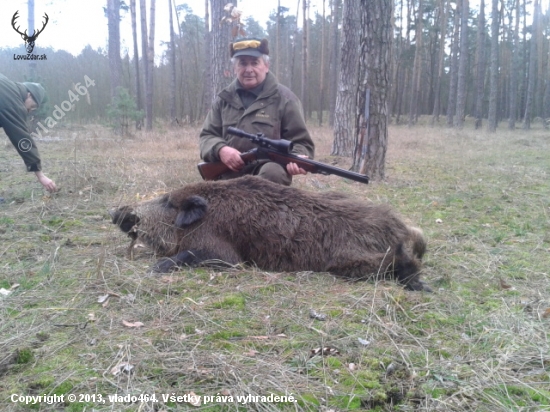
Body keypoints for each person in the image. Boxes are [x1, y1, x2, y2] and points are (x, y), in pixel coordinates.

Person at [199, 38, 314, 186]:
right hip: (228, 172)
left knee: (273, 172)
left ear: (266, 66)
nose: (248, 70)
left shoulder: (285, 99)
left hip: (268, 173)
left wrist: (297, 157)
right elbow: (207, 136)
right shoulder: (223, 99)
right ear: (235, 68)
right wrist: (221, 149)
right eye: (242, 63)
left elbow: (302, 142)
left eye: (254, 63)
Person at [0, 73, 57, 193]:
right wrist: (40, 175)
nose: (30, 110)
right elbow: (22, 139)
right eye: (33, 106)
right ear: (29, 95)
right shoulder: (13, 101)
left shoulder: (5, 83)